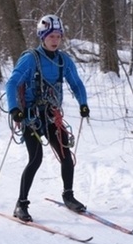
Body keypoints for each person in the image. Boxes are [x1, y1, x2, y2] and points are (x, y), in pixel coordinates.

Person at [5, 14, 90, 222]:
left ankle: (68, 196)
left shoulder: (64, 60)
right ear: (42, 37)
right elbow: (11, 83)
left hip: (52, 116)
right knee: (36, 159)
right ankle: (21, 204)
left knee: (65, 154)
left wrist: (83, 103)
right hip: (31, 118)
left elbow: (76, 83)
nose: (55, 40)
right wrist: (14, 109)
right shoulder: (30, 59)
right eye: (51, 36)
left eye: (58, 36)